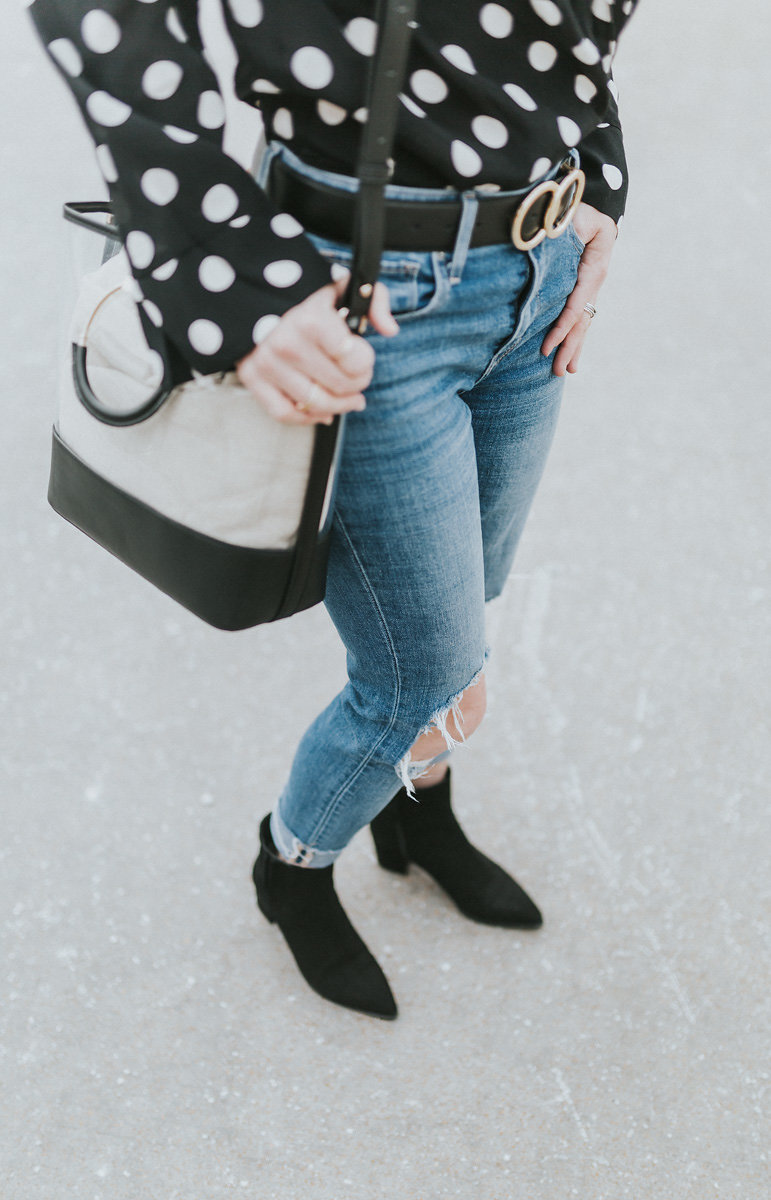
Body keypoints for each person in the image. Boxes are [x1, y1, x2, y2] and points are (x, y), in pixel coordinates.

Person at [29, 0, 639, 1020]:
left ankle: (416, 815)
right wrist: (226, 267)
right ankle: (293, 864)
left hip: (543, 270)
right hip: (366, 289)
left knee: (468, 607)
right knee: (420, 672)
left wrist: (600, 175)